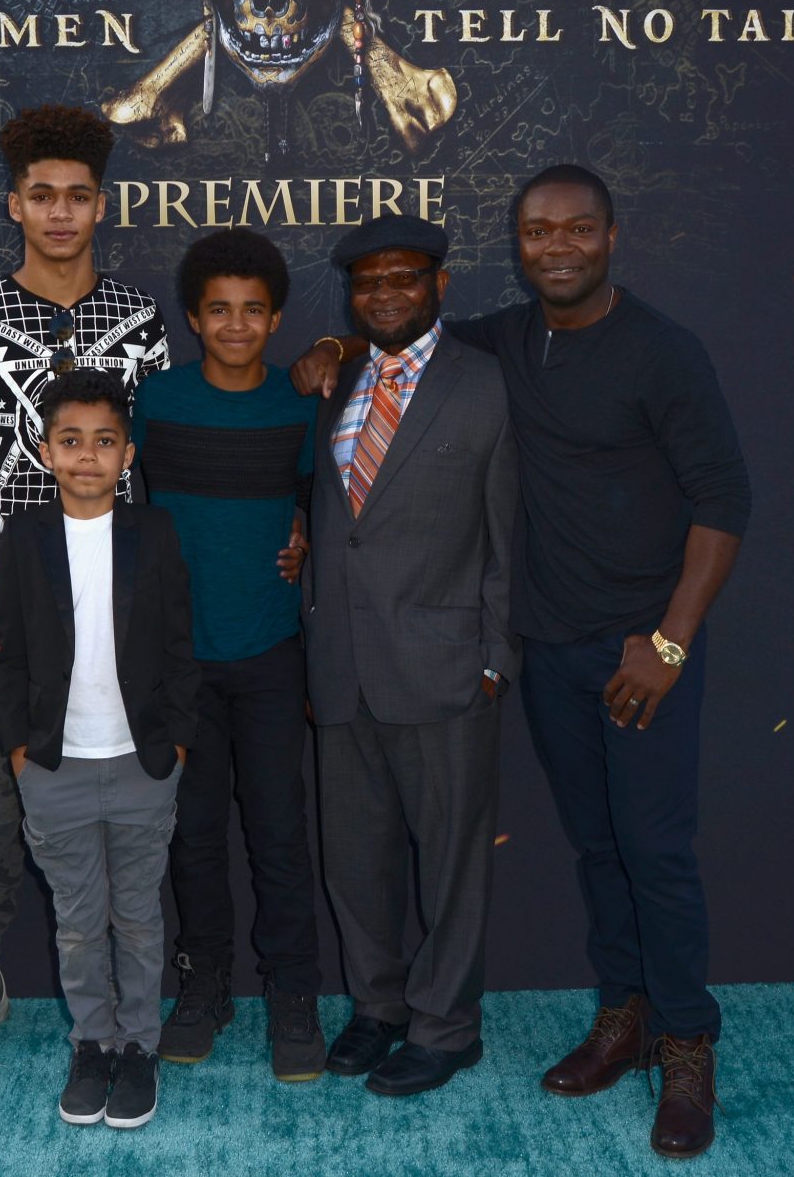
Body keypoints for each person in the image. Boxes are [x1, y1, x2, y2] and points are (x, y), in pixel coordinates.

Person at [291, 165, 751, 1160]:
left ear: (611, 236)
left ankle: (686, 1043)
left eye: (576, 229)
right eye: (539, 231)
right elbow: (404, 336)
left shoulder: (663, 350)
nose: (556, 246)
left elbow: (723, 497)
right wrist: (334, 346)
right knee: (599, 848)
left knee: (655, 852)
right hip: (551, 644)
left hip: (641, 650)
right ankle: (623, 1018)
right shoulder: (510, 338)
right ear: (518, 244)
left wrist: (670, 639)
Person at [0, 104, 169, 1071]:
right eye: (41, 196)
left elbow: (159, 462)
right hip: (11, 615)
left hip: (121, 611)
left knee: (139, 806)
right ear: (14, 206)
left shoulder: (138, 322)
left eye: (76, 196)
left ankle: (139, 1003)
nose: (60, 213)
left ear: (101, 206)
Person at [303, 213, 518, 1099]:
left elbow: (510, 533)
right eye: (368, 282)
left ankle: (446, 1028)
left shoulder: (489, 385)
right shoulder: (337, 378)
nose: (385, 293)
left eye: (404, 278)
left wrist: (495, 658)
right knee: (355, 861)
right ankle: (379, 1007)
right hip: (341, 667)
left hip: (446, 667)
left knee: (452, 864)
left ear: (439, 285)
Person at [130, 228, 326, 1081]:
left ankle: (293, 991)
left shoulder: (299, 404)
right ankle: (204, 981)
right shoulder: (155, 402)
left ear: (276, 319)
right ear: (194, 318)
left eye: (253, 310)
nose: (236, 325)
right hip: (181, 662)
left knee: (280, 833)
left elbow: (325, 505)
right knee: (193, 834)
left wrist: (305, 531)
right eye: (219, 310)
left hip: (271, 653)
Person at [0, 370, 199, 1130]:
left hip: (143, 764)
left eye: (104, 442)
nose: (87, 455)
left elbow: (180, 647)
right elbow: (8, 656)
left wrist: (176, 747)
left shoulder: (156, 532)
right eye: (71, 441)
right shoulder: (23, 538)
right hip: (55, 768)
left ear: (127, 454)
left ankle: (138, 1047)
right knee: (78, 925)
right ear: (45, 451)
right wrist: (21, 753)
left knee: (138, 919)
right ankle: (93, 1045)